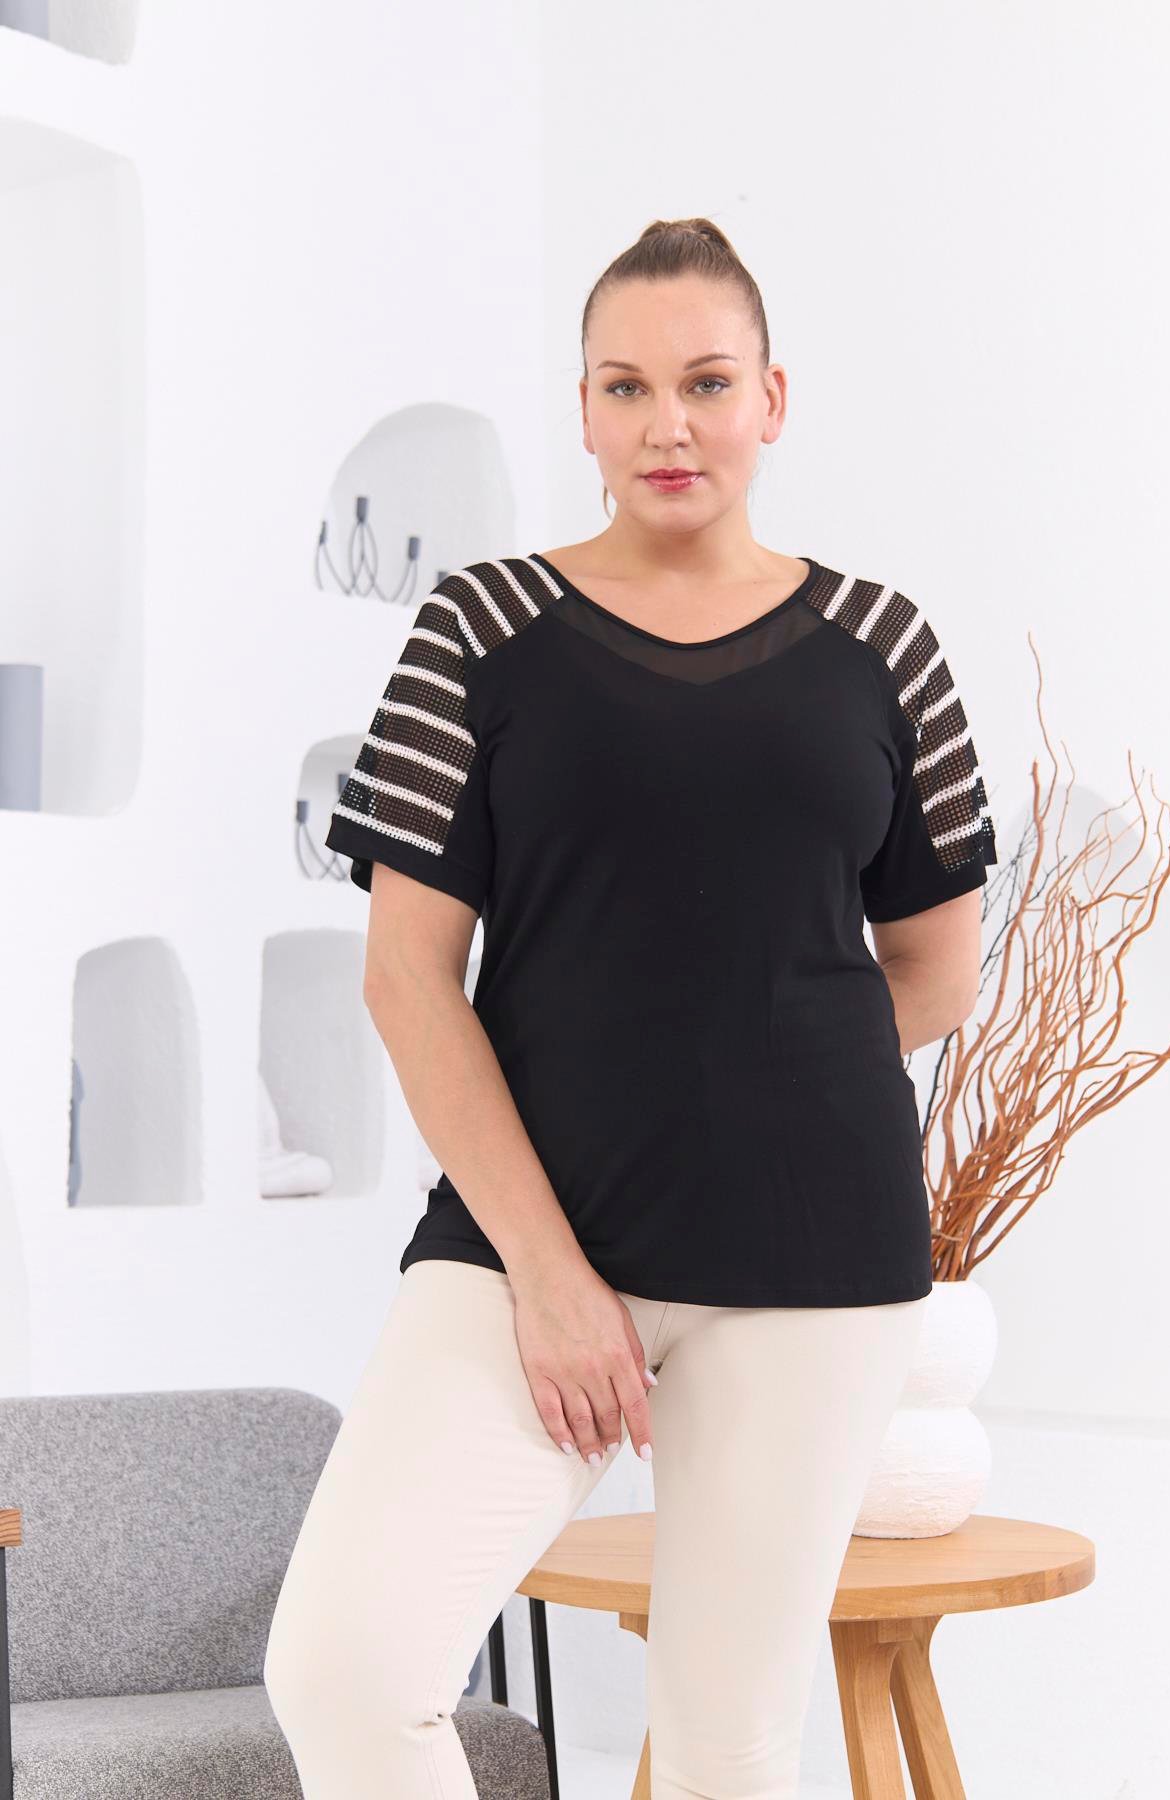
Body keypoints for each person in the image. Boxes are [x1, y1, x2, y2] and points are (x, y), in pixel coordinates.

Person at [263, 216, 998, 1799]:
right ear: (584, 412)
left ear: (771, 401)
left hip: (811, 1257)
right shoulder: (477, 631)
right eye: (628, 386)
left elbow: (939, 966)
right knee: (346, 1668)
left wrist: (749, 1086)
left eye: (708, 382)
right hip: (531, 1232)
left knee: (729, 1739)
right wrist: (548, 1274)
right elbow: (405, 977)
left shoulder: (885, 648)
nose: (670, 423)